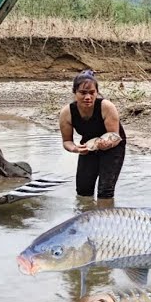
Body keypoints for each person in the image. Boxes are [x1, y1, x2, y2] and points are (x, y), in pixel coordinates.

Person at [57, 69, 126, 205]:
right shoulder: (67, 112)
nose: (88, 97)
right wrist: (76, 149)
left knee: (105, 191)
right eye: (83, 93)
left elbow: (115, 136)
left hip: (113, 146)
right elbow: (67, 141)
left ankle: (105, 219)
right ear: (75, 93)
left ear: (96, 92)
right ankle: (85, 219)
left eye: (92, 93)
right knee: (83, 191)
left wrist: (106, 143)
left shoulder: (106, 106)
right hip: (88, 146)